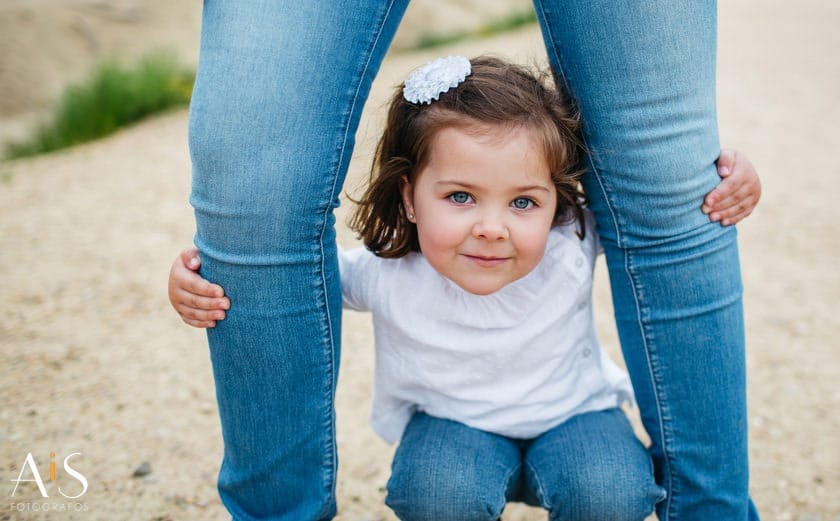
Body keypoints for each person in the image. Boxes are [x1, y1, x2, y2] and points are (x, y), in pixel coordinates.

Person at [174, 56, 761, 520]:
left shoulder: (569, 240)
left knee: (612, 494)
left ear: (557, 203)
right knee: (435, 497)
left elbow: (664, 226)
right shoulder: (387, 273)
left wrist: (734, 181)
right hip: (452, 421)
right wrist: (198, 279)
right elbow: (292, 280)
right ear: (409, 196)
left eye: (524, 201)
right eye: (460, 196)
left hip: (575, 413)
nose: (491, 227)